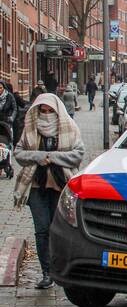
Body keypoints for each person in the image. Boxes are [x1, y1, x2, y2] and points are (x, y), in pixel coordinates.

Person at [13, 93, 85, 289]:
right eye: (42, 111)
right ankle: (47, 272)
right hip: (36, 188)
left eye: (49, 111)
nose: (45, 114)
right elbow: (18, 154)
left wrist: (52, 157)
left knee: (57, 230)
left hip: (61, 187)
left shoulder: (69, 127)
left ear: (57, 110)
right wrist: (38, 156)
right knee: (41, 230)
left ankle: (59, 268)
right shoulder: (30, 128)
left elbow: (77, 155)